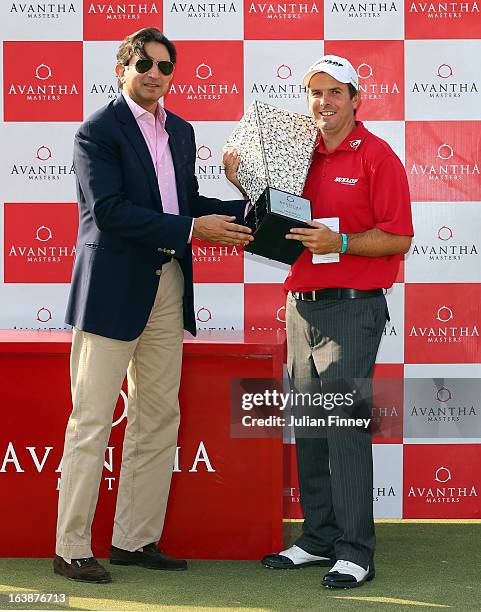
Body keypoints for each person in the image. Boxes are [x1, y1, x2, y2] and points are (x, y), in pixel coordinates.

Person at [54, 27, 253, 584]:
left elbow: (186, 203)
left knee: (158, 418)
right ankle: (70, 547)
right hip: (112, 291)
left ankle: (134, 541)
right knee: (91, 421)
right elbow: (110, 213)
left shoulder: (183, 131)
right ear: (123, 68)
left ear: (172, 74)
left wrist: (251, 210)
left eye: (164, 66)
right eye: (143, 62)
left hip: (168, 285)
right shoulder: (98, 130)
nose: (154, 73)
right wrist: (195, 227)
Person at [225, 55, 413, 588]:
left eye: (334, 92)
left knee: (343, 426)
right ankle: (318, 538)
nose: (323, 103)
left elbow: (399, 237)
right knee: (310, 425)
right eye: (315, 93)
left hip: (354, 306)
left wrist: (345, 242)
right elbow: (271, 215)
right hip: (301, 305)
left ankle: (356, 550)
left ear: (356, 99)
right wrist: (242, 177)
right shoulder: (298, 152)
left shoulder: (378, 156)